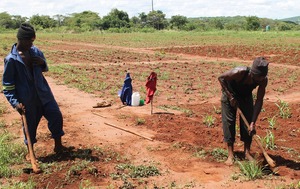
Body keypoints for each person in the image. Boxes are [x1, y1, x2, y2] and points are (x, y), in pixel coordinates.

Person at [2, 23, 65, 157]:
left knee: (56, 116)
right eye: (30, 41)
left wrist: (42, 62)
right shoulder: (11, 60)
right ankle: (31, 153)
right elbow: (7, 86)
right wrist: (15, 103)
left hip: (44, 95)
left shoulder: (36, 51)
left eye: (33, 41)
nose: (32, 44)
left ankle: (58, 146)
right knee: (29, 128)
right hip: (27, 100)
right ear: (21, 40)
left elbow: (45, 68)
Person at [218, 57, 269, 165]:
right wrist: (230, 97)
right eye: (257, 78)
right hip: (229, 94)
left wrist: (253, 122)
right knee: (229, 122)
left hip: (245, 97)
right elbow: (221, 78)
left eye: (261, 78)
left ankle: (247, 153)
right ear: (252, 73)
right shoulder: (240, 72)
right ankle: (230, 154)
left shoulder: (263, 80)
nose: (259, 81)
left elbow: (259, 100)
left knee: (248, 123)